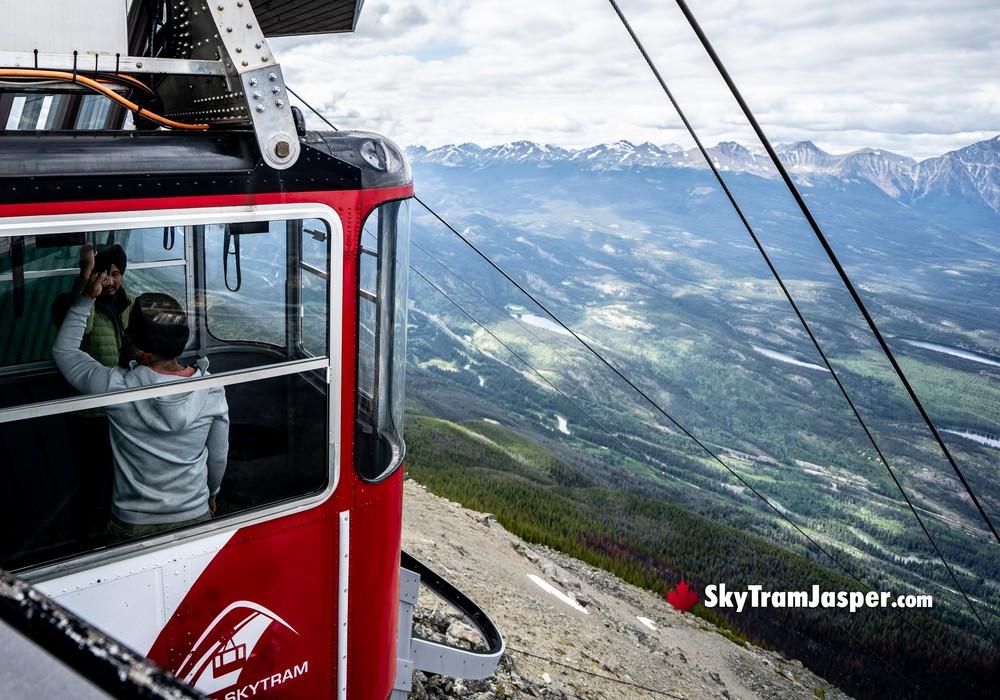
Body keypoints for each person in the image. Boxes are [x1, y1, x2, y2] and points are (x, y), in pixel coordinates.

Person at [52, 271, 230, 541]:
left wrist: (88, 296)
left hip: (132, 521)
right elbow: (218, 457)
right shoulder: (211, 389)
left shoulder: (113, 386)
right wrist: (212, 493)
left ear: (142, 350)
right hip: (193, 514)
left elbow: (64, 351)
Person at [50, 243, 134, 547]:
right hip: (90, 413)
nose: (110, 281)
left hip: (126, 410)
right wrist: (87, 288)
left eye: (115, 274)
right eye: (103, 274)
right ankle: (84, 538)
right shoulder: (72, 303)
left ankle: (116, 531)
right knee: (89, 480)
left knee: (122, 477)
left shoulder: (132, 305)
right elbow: (73, 328)